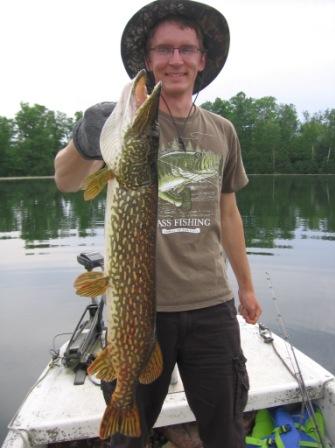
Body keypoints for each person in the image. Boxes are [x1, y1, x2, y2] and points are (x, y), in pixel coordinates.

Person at [54, 1, 262, 447]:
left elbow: (228, 213)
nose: (175, 60)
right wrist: (82, 142)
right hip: (142, 317)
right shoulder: (122, 128)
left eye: (186, 49)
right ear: (148, 60)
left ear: (201, 60)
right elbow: (66, 179)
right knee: (127, 438)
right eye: (164, 49)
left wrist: (245, 286)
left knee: (225, 431)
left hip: (212, 306)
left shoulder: (222, 130)